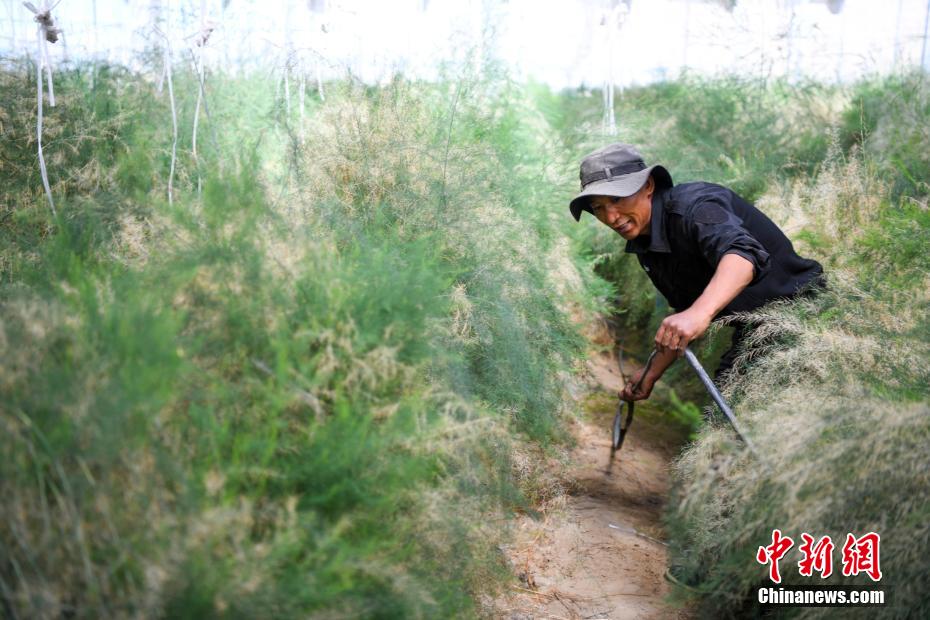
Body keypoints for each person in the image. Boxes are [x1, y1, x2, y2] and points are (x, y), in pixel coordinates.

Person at [570, 143, 825, 402]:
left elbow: (742, 256)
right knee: (725, 404)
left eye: (616, 198)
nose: (611, 217)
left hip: (808, 312)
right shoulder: (647, 246)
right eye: (598, 207)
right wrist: (650, 372)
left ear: (648, 186)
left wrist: (699, 313)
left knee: (741, 407)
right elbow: (684, 315)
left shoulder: (695, 206)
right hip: (756, 329)